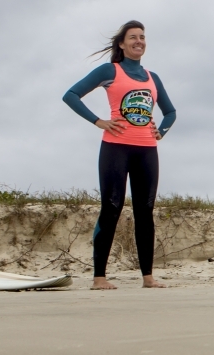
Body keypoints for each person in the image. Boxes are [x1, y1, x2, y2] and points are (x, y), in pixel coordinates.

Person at [62, 20, 176, 289]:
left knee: (145, 211)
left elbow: (170, 112)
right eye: (133, 37)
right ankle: (99, 277)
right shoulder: (109, 70)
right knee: (111, 208)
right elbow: (71, 95)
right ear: (122, 44)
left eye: (143, 37)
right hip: (115, 148)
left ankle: (148, 277)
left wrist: (161, 131)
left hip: (147, 151)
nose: (139, 41)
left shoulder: (152, 77)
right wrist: (98, 121)